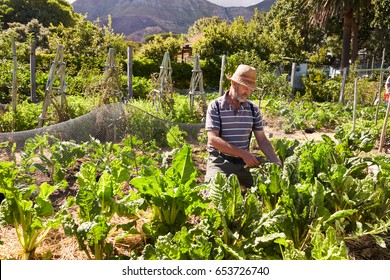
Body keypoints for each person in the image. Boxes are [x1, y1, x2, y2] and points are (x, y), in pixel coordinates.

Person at [204, 64, 282, 188]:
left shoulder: (253, 109)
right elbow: (213, 140)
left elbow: (262, 139)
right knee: (214, 194)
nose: (248, 92)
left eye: (250, 89)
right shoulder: (216, 107)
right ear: (234, 84)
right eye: (245, 87)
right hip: (220, 161)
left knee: (269, 187)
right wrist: (243, 154)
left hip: (244, 163)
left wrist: (275, 161)